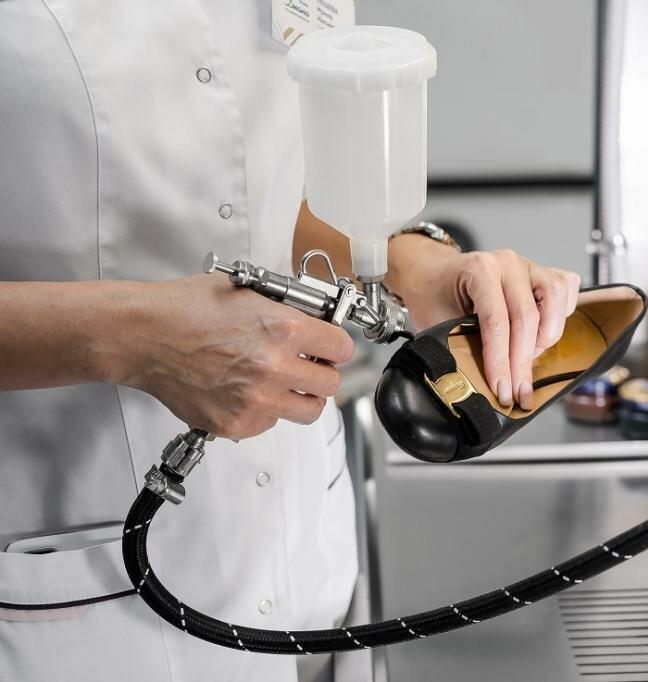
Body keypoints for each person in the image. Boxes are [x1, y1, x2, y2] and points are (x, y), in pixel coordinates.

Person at [0, 3, 581, 681]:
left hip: (304, 558)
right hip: (76, 574)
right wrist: (138, 341)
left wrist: (413, 264)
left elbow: (270, 190)